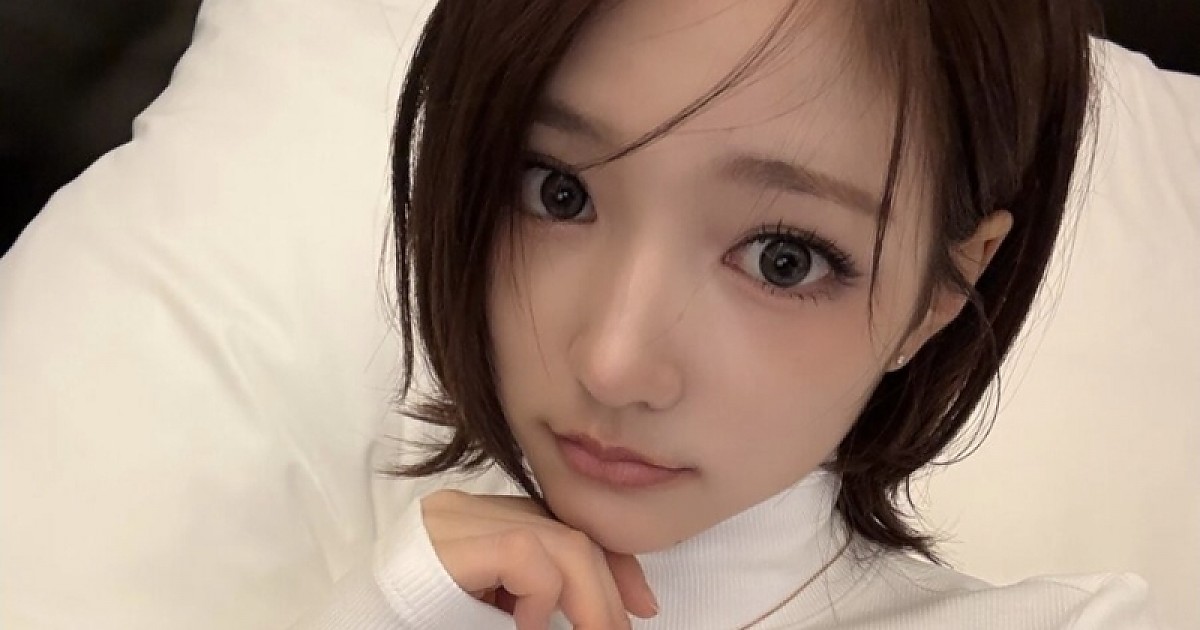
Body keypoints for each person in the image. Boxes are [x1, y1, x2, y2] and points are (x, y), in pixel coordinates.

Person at [297, 0, 1160, 628]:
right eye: (557, 192)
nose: (614, 365)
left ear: (939, 293)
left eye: (784, 258)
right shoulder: (415, 575)